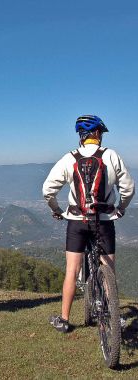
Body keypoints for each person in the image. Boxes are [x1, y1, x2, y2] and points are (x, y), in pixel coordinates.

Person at [42, 115, 135, 332]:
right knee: (108, 269)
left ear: (82, 136)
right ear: (96, 134)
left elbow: (48, 190)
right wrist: (120, 208)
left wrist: (56, 210)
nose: (101, 136)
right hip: (103, 222)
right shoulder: (111, 156)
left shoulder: (69, 158)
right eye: (100, 133)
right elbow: (128, 188)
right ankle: (114, 317)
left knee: (72, 271)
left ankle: (64, 320)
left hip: (76, 222)